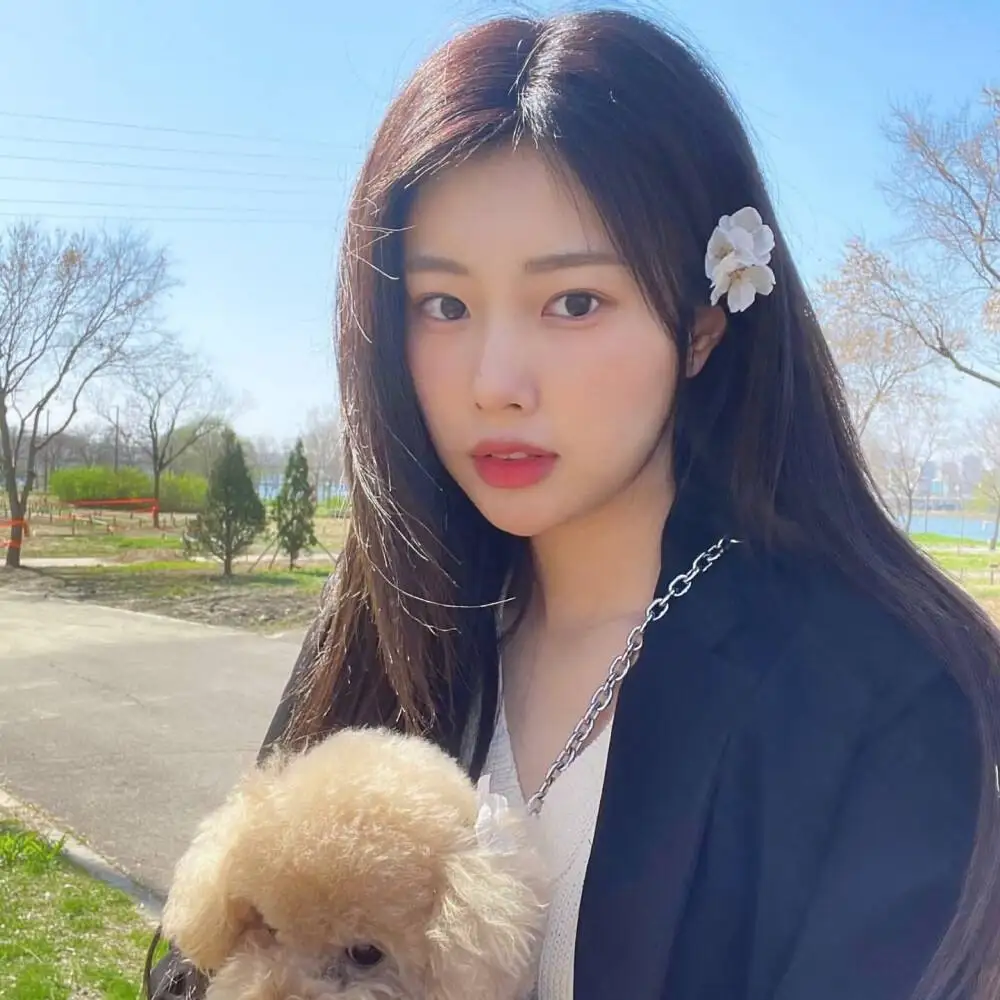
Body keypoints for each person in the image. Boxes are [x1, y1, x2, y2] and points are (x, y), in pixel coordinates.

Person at [147, 10, 1000, 1000]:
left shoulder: (875, 697)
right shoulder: (391, 613)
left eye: (574, 302)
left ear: (702, 326)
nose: (495, 383)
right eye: (443, 305)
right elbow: (212, 951)